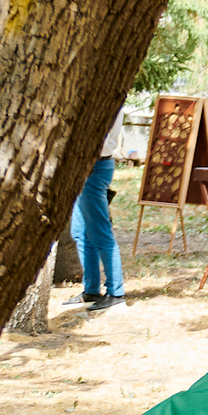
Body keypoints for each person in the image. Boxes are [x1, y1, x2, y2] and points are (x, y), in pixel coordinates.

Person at [72, 108, 127, 312]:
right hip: (87, 165)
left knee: (100, 232)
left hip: (96, 165)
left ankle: (116, 292)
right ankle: (91, 289)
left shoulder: (109, 99)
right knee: (81, 232)